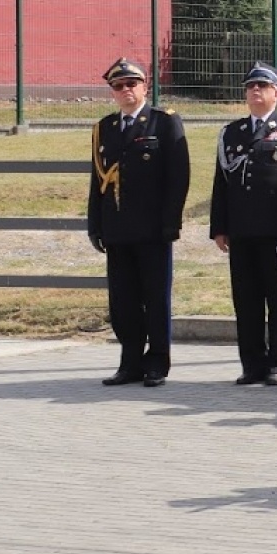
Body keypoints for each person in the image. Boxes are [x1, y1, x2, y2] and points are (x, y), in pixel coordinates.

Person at [209, 61, 277, 387]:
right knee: (246, 300)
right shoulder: (232, 132)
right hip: (241, 229)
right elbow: (221, 182)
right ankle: (252, 364)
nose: (255, 91)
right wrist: (219, 226)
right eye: (250, 87)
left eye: (262, 86)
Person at [88, 57, 190, 388]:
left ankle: (157, 362)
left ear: (145, 86)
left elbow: (178, 178)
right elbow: (97, 182)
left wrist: (170, 222)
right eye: (118, 86)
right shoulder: (104, 128)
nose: (125, 90)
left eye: (132, 84)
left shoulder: (164, 123)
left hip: (152, 229)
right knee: (123, 300)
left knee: (156, 296)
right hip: (117, 229)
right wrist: (95, 224)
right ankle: (130, 362)